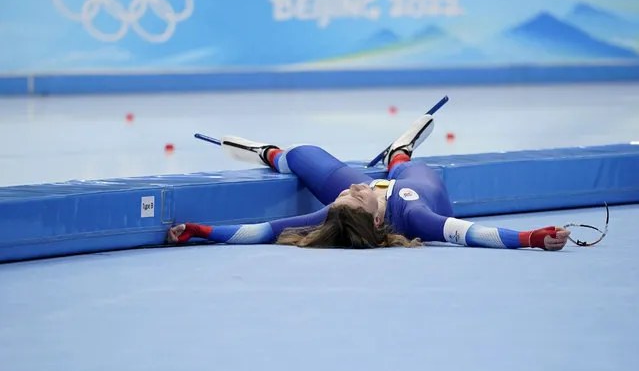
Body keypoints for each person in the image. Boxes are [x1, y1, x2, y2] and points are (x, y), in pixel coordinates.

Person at [167, 113, 570, 251]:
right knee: (402, 172)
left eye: (346, 194)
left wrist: (201, 231)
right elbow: (472, 233)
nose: (353, 189)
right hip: (415, 184)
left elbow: (259, 232)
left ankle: (269, 153)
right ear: (377, 221)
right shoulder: (416, 215)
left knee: (306, 153)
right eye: (356, 195)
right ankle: (400, 152)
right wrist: (532, 238)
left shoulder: (338, 211)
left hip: (381, 199)